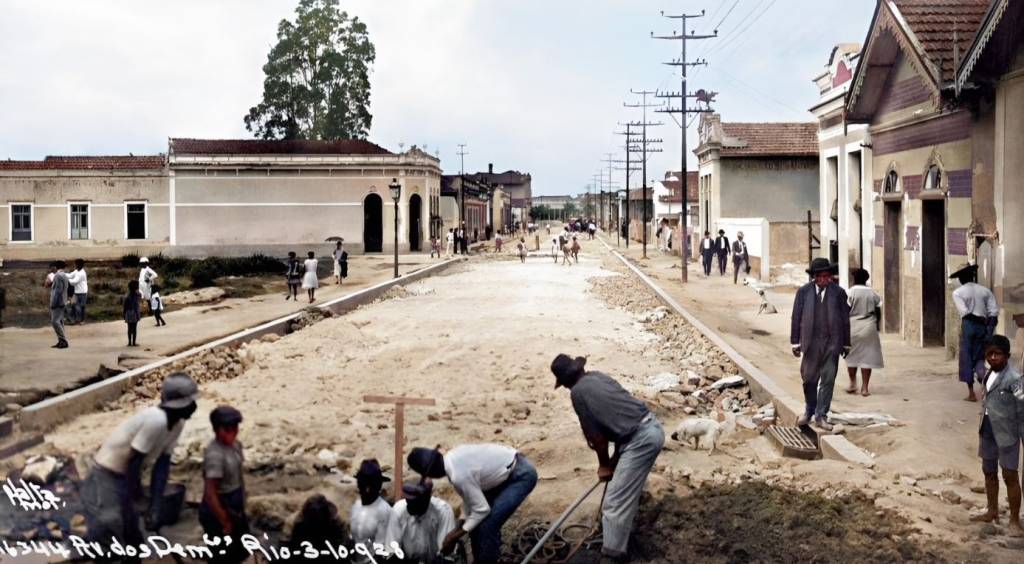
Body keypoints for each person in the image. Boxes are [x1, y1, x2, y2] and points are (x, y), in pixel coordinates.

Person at [550, 354, 664, 561]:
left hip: (640, 440)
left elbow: (597, 438)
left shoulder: (577, 393)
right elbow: (620, 418)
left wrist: (603, 465)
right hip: (649, 428)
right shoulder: (598, 377)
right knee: (622, 492)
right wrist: (614, 461)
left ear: (565, 382)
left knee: (613, 503)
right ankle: (623, 535)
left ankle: (612, 555)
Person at [81, 373, 198, 549]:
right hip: (106, 477)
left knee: (133, 538)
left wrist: (155, 506)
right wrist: (136, 499)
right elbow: (134, 460)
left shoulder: (177, 425)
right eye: (190, 402)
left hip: (124, 477)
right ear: (177, 405)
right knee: (111, 531)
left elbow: (162, 466)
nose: (194, 406)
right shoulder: (156, 420)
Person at [407, 443, 537, 564]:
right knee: (475, 527)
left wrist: (453, 537)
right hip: (505, 471)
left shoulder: (458, 476)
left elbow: (482, 510)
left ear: (431, 472)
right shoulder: (453, 458)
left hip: (521, 476)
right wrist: (458, 528)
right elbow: (470, 502)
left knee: (487, 526)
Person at [790, 258, 851, 431]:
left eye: (827, 276)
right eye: (820, 276)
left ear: (830, 276)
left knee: (828, 379)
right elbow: (796, 317)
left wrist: (846, 343)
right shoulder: (803, 292)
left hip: (832, 343)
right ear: (814, 277)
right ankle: (809, 410)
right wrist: (795, 342)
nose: (824, 279)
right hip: (810, 343)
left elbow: (845, 319)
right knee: (809, 380)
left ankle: (821, 415)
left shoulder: (838, 293)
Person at [969, 335, 1022, 532]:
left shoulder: (1015, 379)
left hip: (1007, 433)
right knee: (989, 472)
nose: (993, 357)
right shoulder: (988, 374)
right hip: (987, 429)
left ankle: (1014, 520)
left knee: (1010, 475)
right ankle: (992, 511)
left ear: (1007, 356)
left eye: (997, 354)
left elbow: (1022, 409)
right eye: (989, 354)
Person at [199, 405, 249, 563]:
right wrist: (224, 520)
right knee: (222, 555)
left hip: (234, 502)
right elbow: (210, 493)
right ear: (217, 430)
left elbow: (239, 475)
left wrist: (242, 503)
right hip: (219, 506)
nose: (232, 432)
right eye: (227, 429)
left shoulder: (236, 446)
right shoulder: (215, 455)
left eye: (235, 428)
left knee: (240, 550)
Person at [951, 263, 1000, 402]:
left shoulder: (958, 292)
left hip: (969, 326)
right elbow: (994, 313)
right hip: (983, 328)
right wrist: (988, 329)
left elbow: (965, 313)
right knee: (979, 358)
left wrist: (979, 320)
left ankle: (972, 394)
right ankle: (988, 389)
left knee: (966, 359)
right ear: (973, 276)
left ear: (961, 278)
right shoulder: (985, 291)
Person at [385, 480, 456, 563]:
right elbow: (392, 551)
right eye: (408, 501)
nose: (409, 506)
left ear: (427, 498)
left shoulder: (443, 511)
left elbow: (446, 555)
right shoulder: (398, 510)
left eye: (414, 502)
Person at [845, 269, 883, 396]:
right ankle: (865, 388)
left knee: (851, 356)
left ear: (854, 279)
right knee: (867, 357)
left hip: (852, 327)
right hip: (869, 327)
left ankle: (852, 383)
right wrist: (876, 326)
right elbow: (878, 311)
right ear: (866, 279)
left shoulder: (849, 292)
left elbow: (845, 310)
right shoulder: (872, 293)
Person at [350, 459, 392, 556]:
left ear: (378, 486)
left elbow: (381, 549)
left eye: (370, 485)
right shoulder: (356, 506)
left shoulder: (384, 511)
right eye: (363, 483)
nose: (366, 489)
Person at [288, 494, 348, 562]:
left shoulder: (337, 520)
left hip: (328, 543)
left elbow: (344, 542)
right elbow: (284, 545)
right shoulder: (293, 522)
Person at [49, 260, 70, 349]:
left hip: (58, 302)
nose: (50, 269)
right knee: (60, 321)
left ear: (55, 267)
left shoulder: (58, 276)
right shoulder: (64, 275)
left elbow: (58, 291)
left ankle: (63, 341)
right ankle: (61, 341)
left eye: (51, 267)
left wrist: (53, 303)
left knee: (55, 322)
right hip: (62, 301)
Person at [66, 258, 89, 324]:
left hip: (82, 292)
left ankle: (81, 320)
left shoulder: (81, 273)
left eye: (76, 264)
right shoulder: (76, 271)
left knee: (81, 307)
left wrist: (66, 280)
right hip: (76, 292)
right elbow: (70, 275)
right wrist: (62, 274)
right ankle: (74, 319)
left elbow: (74, 282)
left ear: (79, 265)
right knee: (74, 305)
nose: (75, 265)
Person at [123, 280, 142, 347]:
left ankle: (129, 342)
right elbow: (140, 298)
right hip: (135, 313)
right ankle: (134, 342)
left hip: (128, 313)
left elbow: (125, 307)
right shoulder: (137, 295)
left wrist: (124, 314)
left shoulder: (127, 296)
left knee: (129, 328)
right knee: (134, 328)